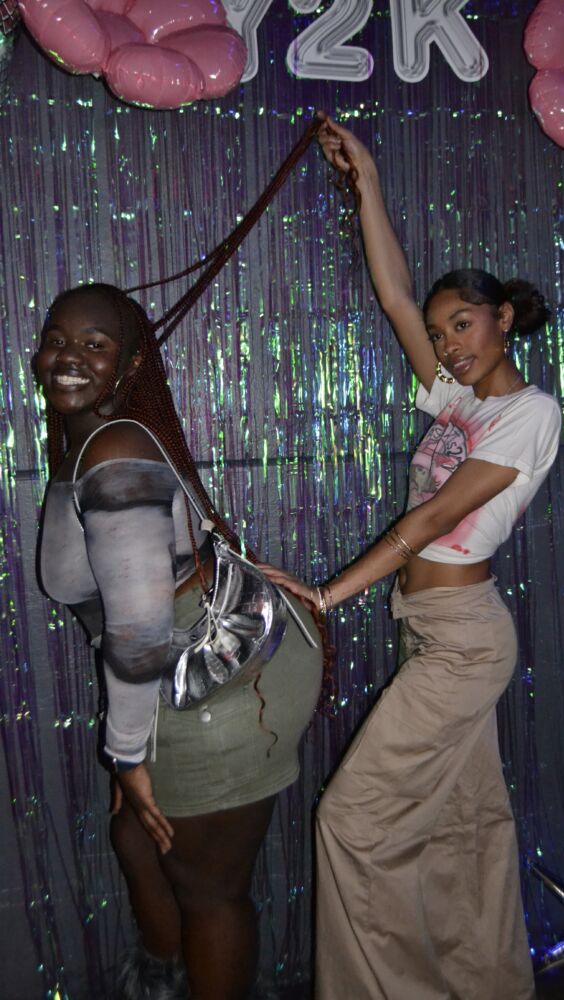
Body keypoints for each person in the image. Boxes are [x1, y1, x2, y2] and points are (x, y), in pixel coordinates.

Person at [261, 117, 561, 1000]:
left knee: (350, 820)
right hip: (428, 628)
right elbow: (393, 293)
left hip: (464, 641)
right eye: (440, 333)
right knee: (466, 827)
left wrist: (327, 594)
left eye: (462, 324)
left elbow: (431, 518)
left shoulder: (529, 414)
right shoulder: (454, 397)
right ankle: (490, 984)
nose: (448, 344)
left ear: (503, 318)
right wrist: (368, 178)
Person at [35, 282, 323, 1000]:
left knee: (208, 889)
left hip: (225, 686)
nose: (68, 357)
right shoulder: (93, 440)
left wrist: (127, 754)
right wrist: (130, 754)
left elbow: (137, 627)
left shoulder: (114, 451)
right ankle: (162, 979)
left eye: (95, 344)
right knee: (136, 840)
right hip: (183, 671)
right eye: (57, 340)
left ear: (130, 364)